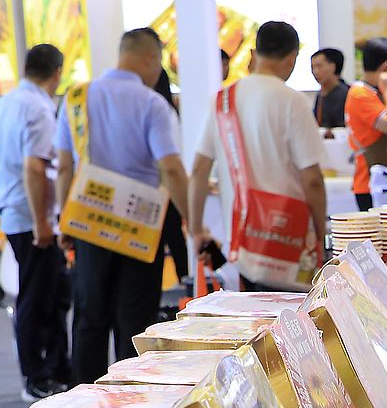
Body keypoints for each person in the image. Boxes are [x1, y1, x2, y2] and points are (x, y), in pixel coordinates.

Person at [54, 27, 190, 383]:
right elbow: (171, 167)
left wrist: (64, 221)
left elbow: (65, 165)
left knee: (89, 317)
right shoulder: (152, 104)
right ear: (151, 58)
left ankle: (82, 406)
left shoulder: (77, 98)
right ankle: (132, 402)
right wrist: (193, 220)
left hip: (89, 222)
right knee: (135, 320)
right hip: (139, 227)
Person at [189, 20, 327, 294]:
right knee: (292, 325)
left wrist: (196, 230)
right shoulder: (293, 102)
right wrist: (320, 234)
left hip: (243, 244)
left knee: (252, 324)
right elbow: (311, 179)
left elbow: (199, 171)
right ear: (292, 59)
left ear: (253, 54)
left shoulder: (223, 100)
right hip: (289, 240)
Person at [0, 42, 71, 401]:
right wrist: (42, 223)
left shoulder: (7, 102)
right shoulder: (39, 108)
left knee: (52, 294)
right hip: (34, 218)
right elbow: (36, 167)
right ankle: (37, 376)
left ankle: (56, 369)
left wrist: (2, 193)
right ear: (57, 73)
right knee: (38, 298)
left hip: (16, 211)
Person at [345, 37, 387, 212]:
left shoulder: (369, 92)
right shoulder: (361, 94)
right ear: (386, 67)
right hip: (370, 183)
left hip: (382, 179)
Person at [151, 66, 190, 287]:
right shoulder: (169, 111)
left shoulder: (157, 110)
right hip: (169, 189)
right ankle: (184, 279)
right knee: (175, 238)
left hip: (154, 189)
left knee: (160, 242)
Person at [312, 47, 348, 128]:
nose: (315, 72)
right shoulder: (320, 94)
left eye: (319, 66)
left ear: (333, 67)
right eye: (313, 67)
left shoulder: (345, 94)